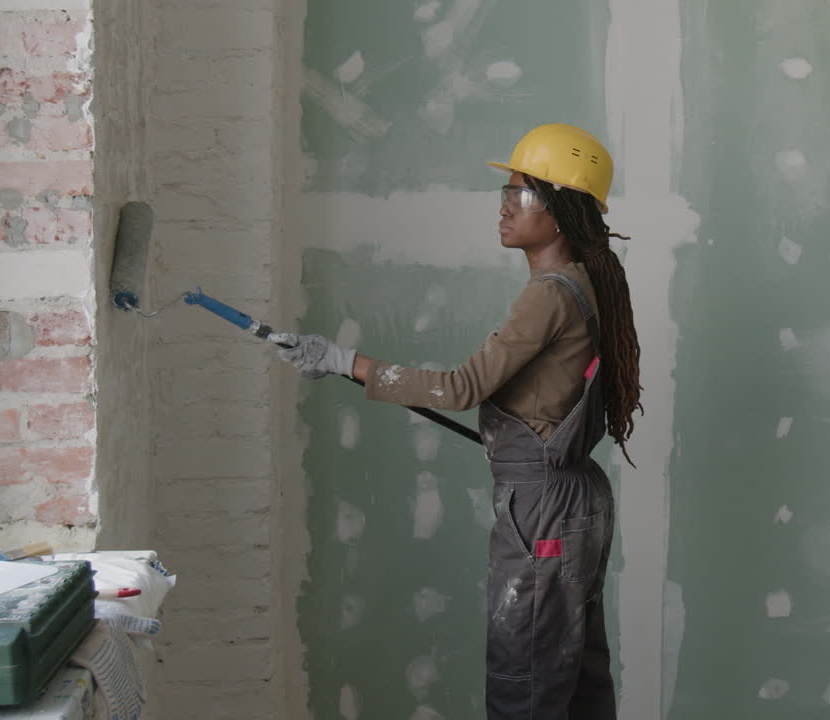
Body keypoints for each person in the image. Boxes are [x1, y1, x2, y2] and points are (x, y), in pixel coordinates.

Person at [275, 123, 643, 719]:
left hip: (544, 508)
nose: (503, 208)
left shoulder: (549, 294)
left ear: (558, 211)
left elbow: (459, 388)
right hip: (576, 501)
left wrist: (346, 361)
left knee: (526, 688)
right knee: (576, 686)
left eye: (518, 194)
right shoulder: (583, 283)